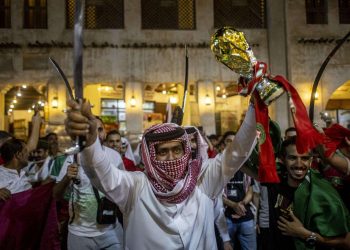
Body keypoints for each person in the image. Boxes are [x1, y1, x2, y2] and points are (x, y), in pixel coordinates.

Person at [65, 99, 257, 249]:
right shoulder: (136, 186)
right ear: (150, 156)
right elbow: (102, 175)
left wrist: (256, 108)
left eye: (177, 150)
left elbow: (237, 152)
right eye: (162, 152)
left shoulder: (203, 181)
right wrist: (90, 142)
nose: (171, 158)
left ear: (186, 152)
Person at [52, 117, 124, 250]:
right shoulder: (71, 158)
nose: (96, 134)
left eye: (100, 129)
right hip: (79, 234)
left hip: (111, 230)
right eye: (91, 130)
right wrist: (67, 178)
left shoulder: (114, 156)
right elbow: (56, 195)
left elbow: (124, 191)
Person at [268, 136, 350, 250]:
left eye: (305, 158)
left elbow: (346, 242)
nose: (299, 164)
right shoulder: (274, 183)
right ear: (282, 159)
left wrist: (304, 234)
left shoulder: (324, 193)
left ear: (311, 160)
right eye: (292, 158)